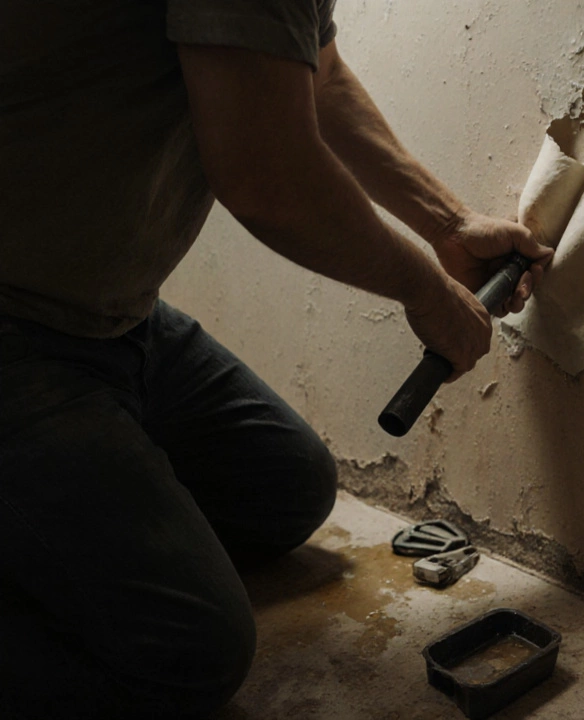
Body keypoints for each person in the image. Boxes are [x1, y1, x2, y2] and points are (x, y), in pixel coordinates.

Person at [0, 0, 552, 715]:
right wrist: (428, 292)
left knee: (281, 490)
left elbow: (312, 71)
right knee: (189, 650)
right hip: (17, 324)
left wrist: (448, 224)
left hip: (108, 316)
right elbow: (265, 173)